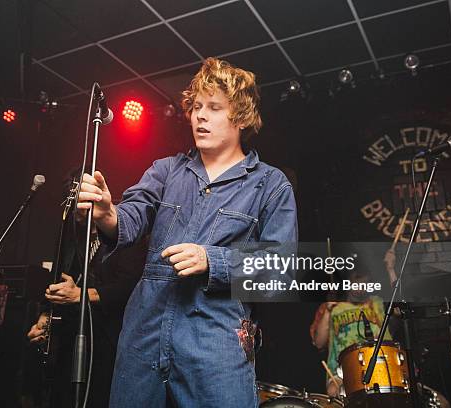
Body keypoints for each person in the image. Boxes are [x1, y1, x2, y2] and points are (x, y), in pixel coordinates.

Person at [77, 57, 298, 407]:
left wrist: (213, 261)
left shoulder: (270, 184)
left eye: (213, 107)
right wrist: (107, 213)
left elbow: (281, 268)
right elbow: (130, 218)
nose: (200, 116)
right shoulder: (166, 171)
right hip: (143, 336)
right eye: (196, 107)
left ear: (240, 117)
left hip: (217, 344)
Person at [26, 172, 145, 408]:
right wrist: (44, 316)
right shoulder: (72, 235)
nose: (78, 209)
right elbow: (58, 279)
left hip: (107, 343)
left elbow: (130, 287)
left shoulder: (124, 229)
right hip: (69, 343)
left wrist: (79, 295)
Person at [309, 248, 398, 397]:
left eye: (364, 284)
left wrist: (390, 269)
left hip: (382, 366)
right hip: (342, 373)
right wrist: (328, 309)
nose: (359, 289)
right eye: (356, 282)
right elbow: (319, 342)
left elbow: (400, 308)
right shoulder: (332, 308)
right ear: (347, 280)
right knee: (333, 391)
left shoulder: (377, 303)